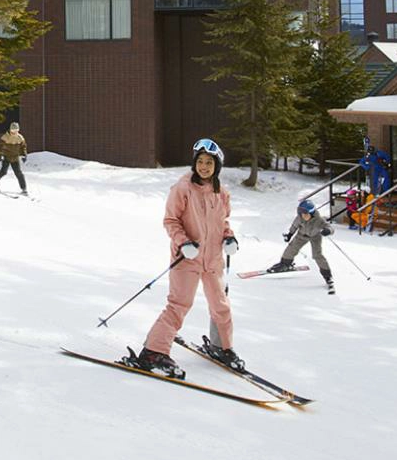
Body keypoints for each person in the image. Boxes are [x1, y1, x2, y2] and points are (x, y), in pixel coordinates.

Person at [129, 138, 242, 378]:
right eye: (200, 161)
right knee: (179, 305)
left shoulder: (222, 193)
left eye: (209, 162)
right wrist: (184, 243)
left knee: (221, 306)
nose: (203, 166)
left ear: (217, 165)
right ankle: (153, 352)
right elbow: (171, 221)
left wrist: (229, 238)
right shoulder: (182, 188)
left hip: (213, 260)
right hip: (187, 258)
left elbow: (223, 223)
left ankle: (221, 347)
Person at [267, 199, 336, 294]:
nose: (302, 216)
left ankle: (328, 276)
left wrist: (328, 231)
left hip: (315, 237)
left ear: (311, 213)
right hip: (301, 235)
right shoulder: (300, 217)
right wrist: (289, 234)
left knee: (317, 255)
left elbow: (330, 227)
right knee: (291, 248)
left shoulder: (319, 220)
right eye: (301, 213)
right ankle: (285, 264)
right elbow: (294, 226)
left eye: (305, 214)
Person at [0, 122, 28, 195]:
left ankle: (24, 189)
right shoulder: (5, 137)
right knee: (3, 172)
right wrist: (0, 155)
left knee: (18, 173)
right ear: (10, 130)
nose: (14, 132)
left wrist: (24, 155)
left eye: (16, 130)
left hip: (15, 158)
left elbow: (23, 147)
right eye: (13, 130)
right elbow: (0, 147)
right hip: (6, 157)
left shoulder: (20, 138)